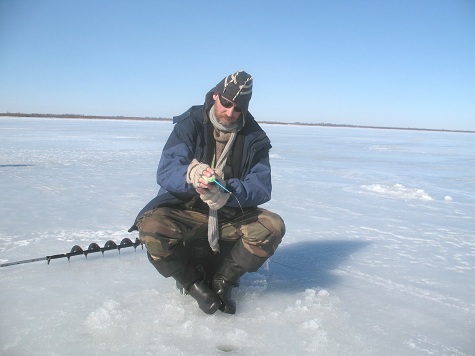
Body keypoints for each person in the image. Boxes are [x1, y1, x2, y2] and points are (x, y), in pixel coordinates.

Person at [129, 70, 286, 315]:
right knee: (152, 228)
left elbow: (261, 187)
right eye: (226, 103)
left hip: (229, 213)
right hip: (187, 209)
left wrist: (228, 192)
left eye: (238, 108)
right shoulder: (190, 123)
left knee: (272, 227)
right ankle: (192, 284)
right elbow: (167, 169)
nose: (230, 113)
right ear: (216, 96)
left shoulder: (255, 138)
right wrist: (192, 175)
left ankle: (224, 280)